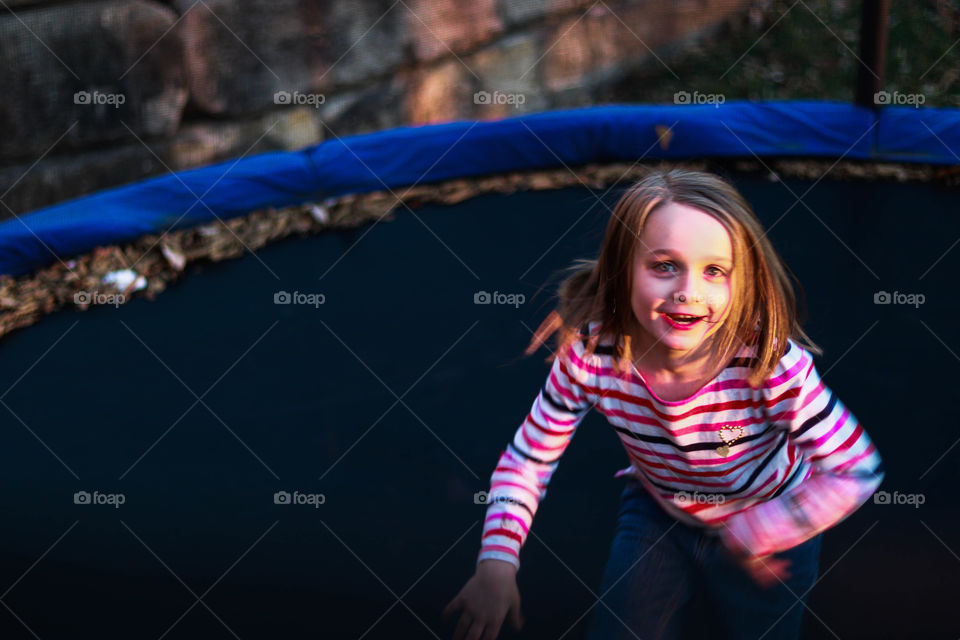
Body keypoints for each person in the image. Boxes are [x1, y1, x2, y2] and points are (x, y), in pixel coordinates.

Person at [442, 168, 885, 640]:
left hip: (768, 522)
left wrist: (758, 532)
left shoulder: (769, 366)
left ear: (743, 281)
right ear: (622, 269)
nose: (687, 292)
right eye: (664, 265)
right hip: (659, 513)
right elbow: (528, 460)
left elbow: (855, 470)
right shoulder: (593, 354)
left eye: (714, 270)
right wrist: (497, 562)